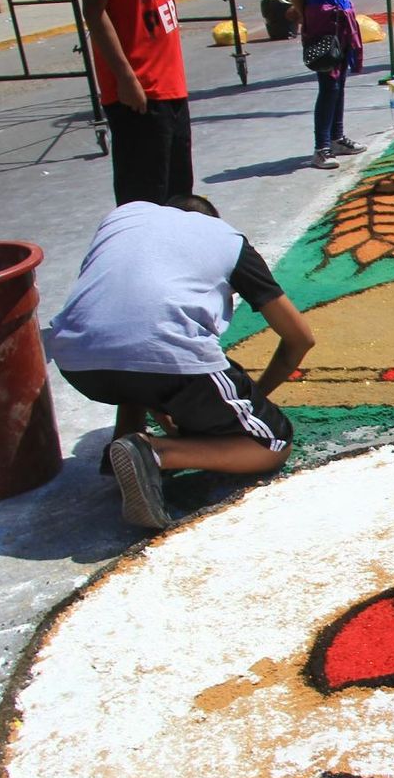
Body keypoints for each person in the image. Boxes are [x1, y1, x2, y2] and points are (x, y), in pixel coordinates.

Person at [47, 197, 316, 531]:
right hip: (167, 355)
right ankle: (154, 452)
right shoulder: (227, 240)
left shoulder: (123, 218)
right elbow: (299, 338)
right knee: (271, 444)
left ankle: (126, 439)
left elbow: (120, 312)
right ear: (212, 220)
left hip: (76, 359)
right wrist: (256, 397)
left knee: (133, 350)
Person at [76, 0, 193, 205]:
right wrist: (125, 77)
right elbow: (94, 12)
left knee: (179, 200)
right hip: (140, 93)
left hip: (171, 84)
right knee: (145, 205)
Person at [288, 0, 364, 170]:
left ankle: (336, 138)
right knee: (328, 83)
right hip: (322, 20)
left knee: (340, 80)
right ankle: (321, 147)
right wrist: (307, 19)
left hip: (340, 18)